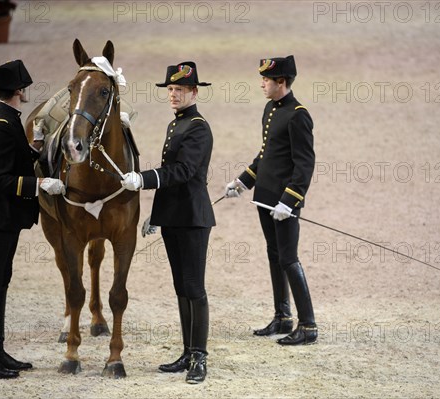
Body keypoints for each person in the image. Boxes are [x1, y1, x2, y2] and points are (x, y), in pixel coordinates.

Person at [121, 61, 215, 384]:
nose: (173, 95)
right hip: (175, 217)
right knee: (180, 288)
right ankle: (188, 351)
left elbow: (182, 172)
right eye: (170, 90)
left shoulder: (198, 127)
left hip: (192, 219)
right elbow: (171, 177)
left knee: (194, 288)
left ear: (194, 92)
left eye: (179, 90)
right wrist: (157, 217)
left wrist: (143, 179)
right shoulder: (176, 125)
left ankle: (200, 357)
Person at [0, 60, 65, 378]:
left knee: (2, 282)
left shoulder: (9, 119)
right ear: (21, 90)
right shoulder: (0, 124)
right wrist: (39, 184)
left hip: (7, 216)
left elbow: (17, 158)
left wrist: (36, 146)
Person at [225, 55, 318, 345]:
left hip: (283, 203)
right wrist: (243, 181)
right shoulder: (270, 109)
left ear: (282, 82)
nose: (262, 83)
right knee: (274, 255)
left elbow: (305, 164)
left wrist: (289, 202)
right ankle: (283, 317)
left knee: (289, 258)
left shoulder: (298, 114)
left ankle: (309, 326)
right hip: (264, 199)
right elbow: (266, 156)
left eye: (267, 79)